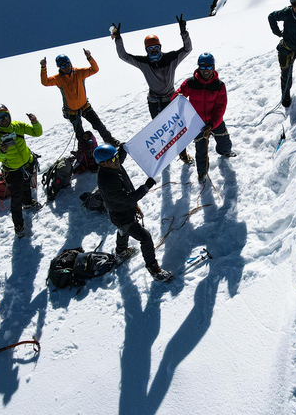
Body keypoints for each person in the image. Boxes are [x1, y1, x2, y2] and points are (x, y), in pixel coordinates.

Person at [111, 15, 194, 164]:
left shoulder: (171, 58)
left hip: (171, 99)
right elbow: (123, 56)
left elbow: (188, 49)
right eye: (150, 49)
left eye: (156, 48)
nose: (154, 51)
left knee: (177, 128)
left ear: (160, 47)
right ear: (146, 50)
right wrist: (118, 39)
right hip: (155, 102)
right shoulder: (143, 62)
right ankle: (165, 156)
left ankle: (182, 155)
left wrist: (183, 32)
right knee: (161, 130)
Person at [94, 144, 173, 282]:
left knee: (123, 231)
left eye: (116, 157)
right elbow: (129, 199)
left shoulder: (111, 166)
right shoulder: (108, 183)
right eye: (113, 159)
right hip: (122, 216)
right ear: (104, 163)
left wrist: (122, 150)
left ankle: (121, 253)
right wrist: (146, 186)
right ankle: (154, 269)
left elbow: (118, 159)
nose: (117, 160)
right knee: (145, 237)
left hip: (122, 213)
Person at [173, 53, 235, 184]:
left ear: (213, 67)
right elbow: (178, 95)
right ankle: (202, 173)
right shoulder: (190, 83)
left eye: (208, 67)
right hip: (198, 124)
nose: (205, 70)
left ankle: (225, 152)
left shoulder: (219, 85)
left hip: (215, 122)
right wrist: (178, 96)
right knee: (201, 150)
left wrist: (213, 124)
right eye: (202, 66)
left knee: (225, 143)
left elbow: (220, 107)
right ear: (198, 67)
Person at [40, 49, 120, 147]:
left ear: (70, 63)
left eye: (67, 64)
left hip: (84, 106)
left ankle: (110, 140)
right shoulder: (58, 79)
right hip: (72, 112)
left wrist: (89, 58)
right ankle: (86, 150)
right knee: (79, 133)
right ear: (59, 68)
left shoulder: (79, 72)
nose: (66, 67)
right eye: (63, 66)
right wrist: (43, 68)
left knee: (98, 125)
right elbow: (45, 82)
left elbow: (95, 69)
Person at [0, 104, 43, 238]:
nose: (3, 119)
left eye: (5, 116)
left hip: (26, 163)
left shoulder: (18, 126)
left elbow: (37, 132)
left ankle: (28, 202)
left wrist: (35, 122)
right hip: (11, 171)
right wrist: (2, 152)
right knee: (16, 198)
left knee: (26, 185)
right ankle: (18, 225)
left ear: (9, 115)